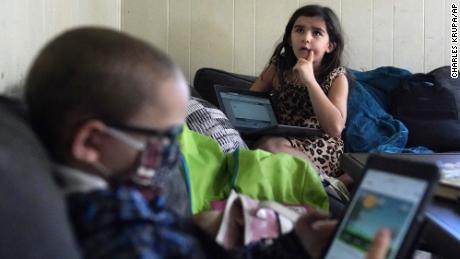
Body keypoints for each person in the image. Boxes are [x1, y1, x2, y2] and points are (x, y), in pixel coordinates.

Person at [24, 27, 389, 258]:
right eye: (165, 136)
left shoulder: (127, 195)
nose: (175, 148)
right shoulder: (120, 236)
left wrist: (292, 246)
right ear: (91, 142)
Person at [250, 5, 348, 180]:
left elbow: (335, 128)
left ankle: (328, 184)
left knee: (270, 146)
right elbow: (250, 99)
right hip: (282, 136)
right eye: (300, 30)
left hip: (320, 143)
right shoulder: (278, 67)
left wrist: (309, 80)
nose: (306, 38)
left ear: (330, 46)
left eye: (317, 33)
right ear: (289, 38)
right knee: (263, 146)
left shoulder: (337, 78)